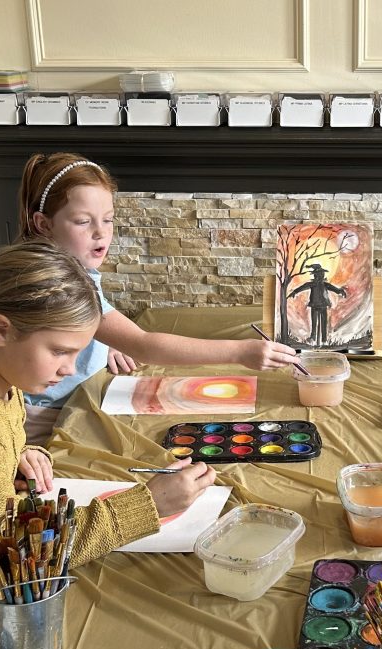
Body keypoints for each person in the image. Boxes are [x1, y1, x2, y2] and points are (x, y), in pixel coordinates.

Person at [0, 241, 217, 615]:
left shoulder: (0, 381)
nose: (70, 369)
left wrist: (19, 456)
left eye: (77, 352)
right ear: (1, 330)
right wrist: (148, 505)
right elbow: (11, 558)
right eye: (60, 351)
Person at [16, 152, 302, 443]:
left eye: (108, 219)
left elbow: (88, 323)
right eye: (82, 221)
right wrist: (240, 352)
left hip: (78, 397)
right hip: (47, 416)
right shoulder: (53, 282)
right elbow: (143, 346)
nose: (101, 232)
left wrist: (101, 341)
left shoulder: (73, 268)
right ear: (44, 224)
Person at [288, 263, 347, 345]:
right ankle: (314, 337)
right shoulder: (313, 284)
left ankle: (323, 339)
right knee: (315, 322)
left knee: (323, 323)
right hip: (315, 305)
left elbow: (334, 289)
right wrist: (295, 292)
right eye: (320, 274)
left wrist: (340, 291)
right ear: (316, 275)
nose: (321, 275)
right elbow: (303, 287)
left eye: (322, 274)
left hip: (322, 305)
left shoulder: (324, 284)